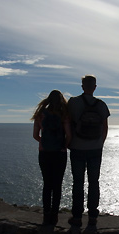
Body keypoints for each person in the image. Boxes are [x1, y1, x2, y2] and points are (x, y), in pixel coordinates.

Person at [67, 75, 110, 227]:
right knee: (94, 183)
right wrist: (100, 144)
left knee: (78, 183)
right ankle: (93, 217)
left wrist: (69, 141)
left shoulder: (73, 102)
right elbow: (105, 128)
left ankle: (77, 217)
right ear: (95, 87)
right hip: (95, 149)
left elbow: (66, 122)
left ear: (82, 86)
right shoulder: (101, 105)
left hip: (77, 148)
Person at [32, 90, 71, 225]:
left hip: (44, 153)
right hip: (59, 153)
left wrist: (43, 143)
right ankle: (55, 215)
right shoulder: (64, 114)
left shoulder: (41, 114)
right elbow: (69, 135)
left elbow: (35, 135)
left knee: (47, 184)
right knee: (57, 185)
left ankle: (46, 214)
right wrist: (64, 146)